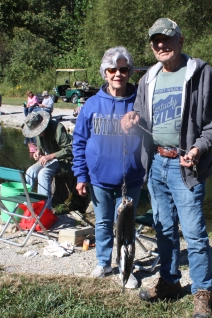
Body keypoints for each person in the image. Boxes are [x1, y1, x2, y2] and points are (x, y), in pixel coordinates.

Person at [121, 18, 212, 318]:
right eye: (155, 41)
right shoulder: (148, 78)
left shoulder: (201, 73)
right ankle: (169, 282)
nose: (160, 45)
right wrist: (131, 119)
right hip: (156, 164)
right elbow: (141, 117)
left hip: (186, 166)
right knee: (163, 229)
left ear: (180, 41)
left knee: (194, 234)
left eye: (166, 39)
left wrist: (198, 148)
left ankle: (202, 293)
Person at [72, 47, 143, 288]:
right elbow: (79, 142)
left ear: (129, 72)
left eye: (123, 69)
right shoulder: (91, 104)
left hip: (131, 178)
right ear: (105, 73)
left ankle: (126, 268)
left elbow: (152, 138)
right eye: (112, 69)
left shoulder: (139, 102)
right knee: (102, 223)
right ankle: (103, 262)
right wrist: (81, 175)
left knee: (126, 226)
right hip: (99, 177)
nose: (118, 74)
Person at [23, 111, 73, 210]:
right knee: (30, 171)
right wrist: (38, 152)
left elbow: (69, 149)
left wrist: (50, 156)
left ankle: (45, 208)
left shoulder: (58, 128)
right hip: (48, 159)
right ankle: (26, 203)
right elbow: (41, 148)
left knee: (43, 173)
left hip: (64, 161)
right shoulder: (37, 133)